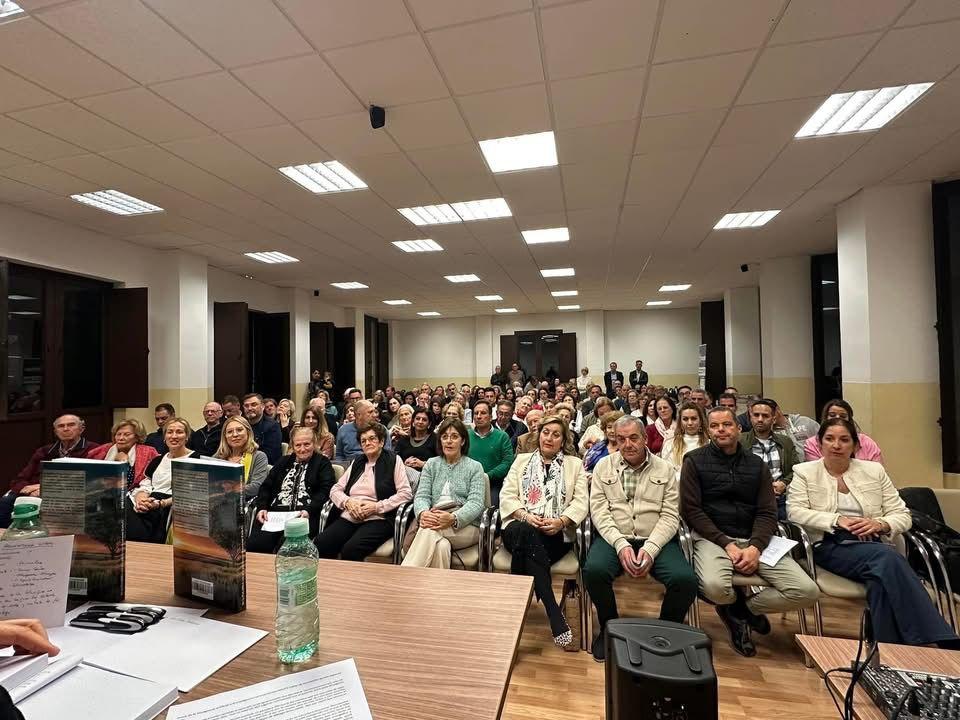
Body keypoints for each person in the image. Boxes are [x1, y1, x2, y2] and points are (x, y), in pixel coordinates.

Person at [787, 419, 959, 648]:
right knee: (887, 559)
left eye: (844, 439)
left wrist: (880, 524)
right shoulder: (804, 472)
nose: (836, 445)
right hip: (829, 544)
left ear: (855, 446)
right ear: (819, 443)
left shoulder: (873, 471)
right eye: (829, 439)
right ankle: (943, 638)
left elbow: (902, 514)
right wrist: (838, 520)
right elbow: (795, 512)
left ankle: (886, 650)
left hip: (873, 541)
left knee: (879, 579)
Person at [680, 407, 819, 657]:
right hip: (714, 538)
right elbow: (691, 511)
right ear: (708, 430)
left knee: (806, 591)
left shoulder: (756, 465)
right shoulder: (695, 461)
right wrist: (727, 544)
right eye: (714, 426)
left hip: (756, 539)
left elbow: (767, 512)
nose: (721, 430)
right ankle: (734, 608)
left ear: (739, 428)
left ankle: (742, 611)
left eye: (727, 425)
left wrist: (755, 546)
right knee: (714, 587)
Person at [583, 416, 698, 662]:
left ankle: (665, 632)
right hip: (615, 536)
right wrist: (621, 544)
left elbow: (670, 515)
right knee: (593, 571)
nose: (627, 444)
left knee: (685, 580)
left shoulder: (665, 469)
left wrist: (652, 547)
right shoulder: (604, 466)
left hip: (655, 537)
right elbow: (599, 512)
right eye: (621, 439)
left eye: (633, 438)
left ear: (645, 439)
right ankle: (608, 627)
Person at [500, 415, 589, 648]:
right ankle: (553, 612)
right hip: (519, 525)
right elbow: (507, 495)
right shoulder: (521, 461)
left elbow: (581, 502)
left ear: (564, 440)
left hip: (556, 533)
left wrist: (561, 521)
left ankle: (518, 605)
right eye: (545, 432)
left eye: (556, 434)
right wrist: (526, 516)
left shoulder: (574, 465)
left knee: (527, 547)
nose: (549, 438)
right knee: (526, 532)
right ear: (538, 435)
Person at [316, 423, 412, 561]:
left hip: (378, 518)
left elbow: (405, 493)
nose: (368, 443)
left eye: (372, 439)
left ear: (381, 442)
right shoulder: (357, 462)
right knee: (322, 543)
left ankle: (354, 582)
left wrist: (377, 507)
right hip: (351, 514)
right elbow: (335, 489)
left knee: (351, 549)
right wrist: (347, 502)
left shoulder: (393, 460)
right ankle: (331, 580)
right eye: (363, 441)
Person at [402, 419, 487, 569]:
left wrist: (454, 518)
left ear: (462, 441)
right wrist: (422, 513)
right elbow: (422, 496)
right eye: (445, 436)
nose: (449, 441)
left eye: (454, 437)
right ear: (440, 440)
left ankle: (406, 577)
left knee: (428, 530)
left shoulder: (475, 467)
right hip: (435, 517)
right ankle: (437, 591)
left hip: (466, 525)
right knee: (441, 547)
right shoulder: (431, 464)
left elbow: (476, 503)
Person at [0, 414, 99, 527]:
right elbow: (19, 479)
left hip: (70, 493)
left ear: (81, 429)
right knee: (6, 503)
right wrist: (30, 490)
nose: (66, 429)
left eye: (71, 425)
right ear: (56, 431)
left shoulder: (93, 449)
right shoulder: (44, 451)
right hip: (33, 491)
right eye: (61, 426)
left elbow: (90, 479)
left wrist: (44, 488)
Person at [250, 426, 336, 553]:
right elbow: (266, 486)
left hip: (304, 515)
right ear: (293, 446)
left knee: (286, 548)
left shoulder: (322, 463)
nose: (302, 449)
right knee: (255, 546)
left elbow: (325, 490)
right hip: (275, 515)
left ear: (314, 444)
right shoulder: (283, 461)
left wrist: (309, 510)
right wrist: (262, 507)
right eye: (298, 445)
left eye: (307, 444)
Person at [129, 417, 200, 543]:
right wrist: (141, 499)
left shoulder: (196, 460)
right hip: (150, 501)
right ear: (164, 436)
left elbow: (190, 494)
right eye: (170, 432)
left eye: (179, 432)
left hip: (173, 505)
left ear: (187, 436)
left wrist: (160, 504)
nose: (174, 436)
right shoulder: (157, 460)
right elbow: (146, 485)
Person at [740, 398, 798, 520]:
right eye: (756, 415)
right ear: (750, 417)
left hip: (779, 498)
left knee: (788, 527)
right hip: (750, 499)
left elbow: (796, 470)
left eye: (765, 416)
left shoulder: (785, 442)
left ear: (774, 419)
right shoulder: (740, 441)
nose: (760, 419)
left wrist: (784, 483)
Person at [87, 419, 159, 491]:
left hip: (137, 495)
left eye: (127, 435)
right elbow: (90, 479)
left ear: (137, 437)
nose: (121, 438)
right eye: (118, 434)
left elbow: (155, 480)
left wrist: (125, 463)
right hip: (102, 494)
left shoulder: (149, 452)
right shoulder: (99, 452)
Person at [803, 399, 884, 463]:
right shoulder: (811, 444)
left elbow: (878, 472)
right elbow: (816, 473)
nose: (837, 418)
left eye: (843, 416)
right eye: (832, 415)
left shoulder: (866, 442)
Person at [469, 400, 514, 503]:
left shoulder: (502, 436)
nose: (479, 416)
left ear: (490, 416)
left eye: (483, 413)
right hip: (468, 482)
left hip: (493, 483)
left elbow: (507, 462)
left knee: (493, 506)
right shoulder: (466, 436)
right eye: (476, 413)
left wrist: (487, 476)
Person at [214, 416, 270, 500]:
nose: (235, 435)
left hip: (244, 504)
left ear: (248, 432)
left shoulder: (258, 456)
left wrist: (228, 491)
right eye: (229, 432)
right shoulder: (217, 457)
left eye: (239, 430)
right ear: (225, 436)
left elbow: (256, 487)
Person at [661, 402, 709, 476]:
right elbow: (667, 472)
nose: (689, 423)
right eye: (685, 419)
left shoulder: (709, 444)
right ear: (680, 422)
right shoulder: (670, 444)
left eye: (693, 418)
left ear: (700, 421)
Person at [242, 393, 282, 464]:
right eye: (246, 406)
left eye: (254, 405)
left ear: (262, 406)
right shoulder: (241, 425)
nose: (250, 408)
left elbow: (271, 456)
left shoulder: (272, 426)